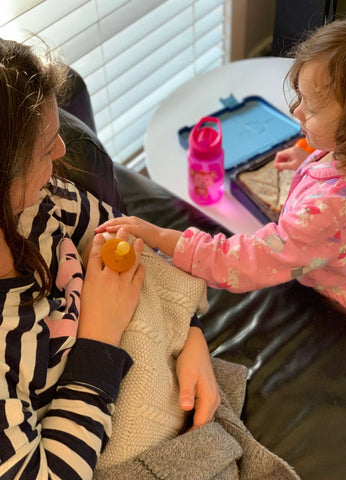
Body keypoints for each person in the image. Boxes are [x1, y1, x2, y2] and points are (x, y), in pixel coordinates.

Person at [0, 38, 219, 479]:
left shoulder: (45, 200)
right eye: (45, 149)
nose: (63, 151)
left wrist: (189, 335)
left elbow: (129, 237)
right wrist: (100, 336)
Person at [96, 16, 346, 317]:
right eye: (300, 98)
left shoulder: (327, 213)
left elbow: (242, 262)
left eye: (310, 108)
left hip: (332, 294)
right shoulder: (345, 153)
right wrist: (310, 159)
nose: (295, 110)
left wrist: (159, 236)